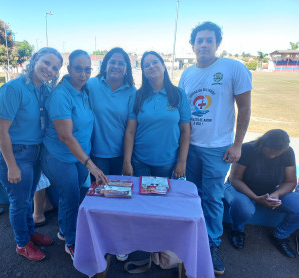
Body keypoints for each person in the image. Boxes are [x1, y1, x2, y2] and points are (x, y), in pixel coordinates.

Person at [178, 21, 252, 275]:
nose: (204, 44)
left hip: (217, 149)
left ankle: (212, 244)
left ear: (217, 43)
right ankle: (194, 237)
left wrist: (238, 144)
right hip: (189, 147)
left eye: (210, 40)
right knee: (193, 194)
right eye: (200, 40)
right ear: (192, 45)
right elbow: (181, 112)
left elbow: (244, 109)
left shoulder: (233, 68)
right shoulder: (187, 74)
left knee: (211, 197)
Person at [0, 47, 63, 261]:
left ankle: (30, 232)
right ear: (35, 60)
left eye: (55, 67)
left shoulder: (45, 91)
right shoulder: (13, 88)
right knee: (19, 201)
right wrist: (11, 165)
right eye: (46, 63)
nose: (49, 69)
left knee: (27, 199)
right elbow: (0, 130)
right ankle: (22, 243)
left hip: (34, 153)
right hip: (14, 154)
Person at [41, 49, 109, 261]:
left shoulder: (83, 91)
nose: (83, 74)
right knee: (70, 198)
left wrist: (85, 160)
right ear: (69, 69)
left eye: (87, 69)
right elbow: (66, 136)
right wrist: (91, 164)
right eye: (78, 69)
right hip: (60, 157)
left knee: (71, 196)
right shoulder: (61, 95)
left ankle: (63, 230)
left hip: (79, 157)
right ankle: (72, 242)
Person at [225, 129, 298, 258]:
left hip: (269, 190)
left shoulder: (288, 153)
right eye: (270, 151)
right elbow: (235, 179)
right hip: (240, 187)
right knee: (243, 206)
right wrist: (255, 198)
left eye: (277, 153)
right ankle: (237, 230)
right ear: (263, 143)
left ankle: (280, 235)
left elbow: (291, 181)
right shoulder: (248, 149)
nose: (273, 156)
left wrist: (276, 194)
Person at [123, 51, 191, 179]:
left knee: (162, 199)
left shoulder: (179, 95)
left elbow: (185, 131)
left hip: (167, 163)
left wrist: (182, 162)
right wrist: (127, 162)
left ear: (164, 66)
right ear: (143, 71)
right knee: (139, 198)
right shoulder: (137, 96)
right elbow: (130, 131)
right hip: (139, 162)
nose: (151, 66)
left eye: (155, 62)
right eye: (146, 65)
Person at [87, 47, 136, 177]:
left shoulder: (132, 91)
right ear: (105, 65)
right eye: (112, 62)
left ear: (127, 68)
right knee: (100, 194)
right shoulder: (91, 84)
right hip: (96, 154)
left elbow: (130, 130)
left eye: (121, 63)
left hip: (121, 155)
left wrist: (127, 161)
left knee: (118, 193)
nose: (116, 66)